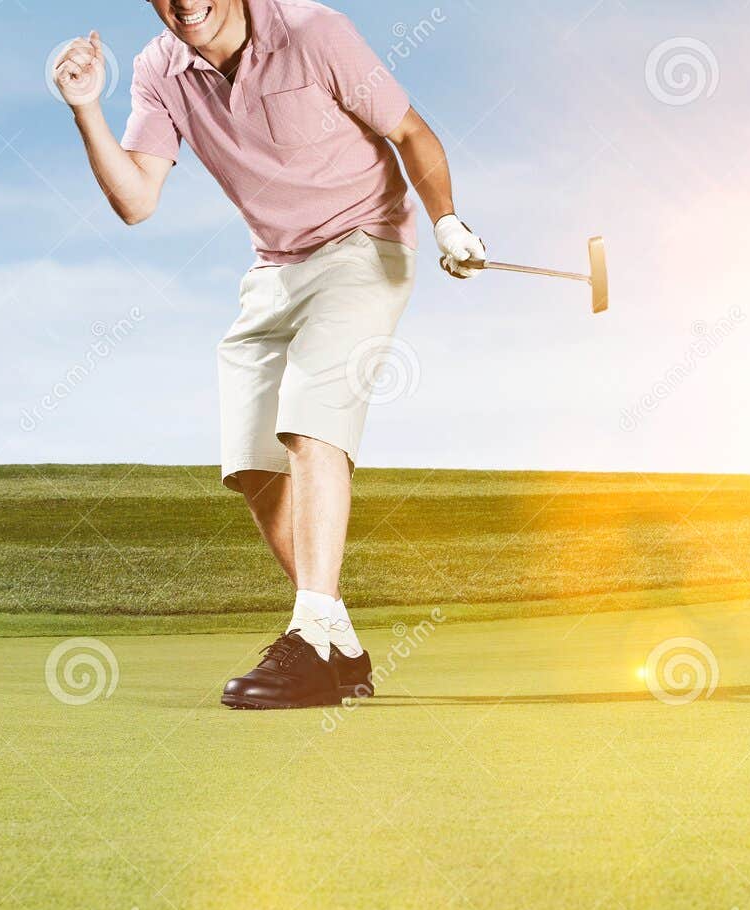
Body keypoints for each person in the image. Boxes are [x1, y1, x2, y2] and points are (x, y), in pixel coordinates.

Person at [54, 0, 485, 709]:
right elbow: (136, 201)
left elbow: (408, 130)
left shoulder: (315, 30)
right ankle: (340, 641)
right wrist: (85, 110)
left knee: (311, 426)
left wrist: (447, 220)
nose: (185, 2)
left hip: (365, 245)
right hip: (274, 267)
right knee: (253, 466)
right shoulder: (159, 69)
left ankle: (309, 641)